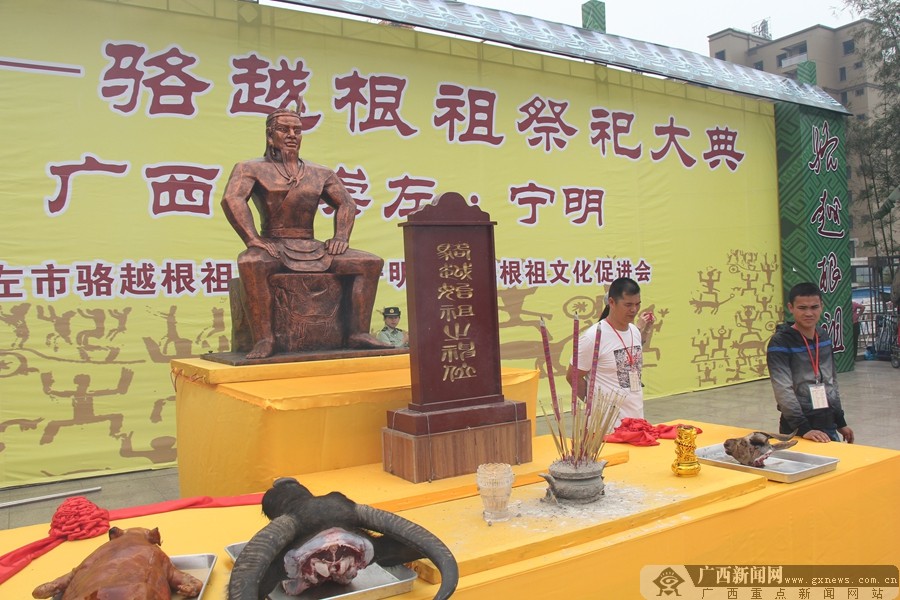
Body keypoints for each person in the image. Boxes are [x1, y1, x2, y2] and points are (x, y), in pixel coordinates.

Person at [221, 105, 390, 358]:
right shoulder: (250, 168)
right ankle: (265, 339)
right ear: (270, 135)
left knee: (369, 262)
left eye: (296, 130)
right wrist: (253, 239)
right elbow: (232, 199)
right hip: (274, 245)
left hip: (311, 246)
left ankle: (358, 332)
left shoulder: (319, 172)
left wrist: (341, 237)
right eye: (283, 129)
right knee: (250, 262)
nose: (291, 135)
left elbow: (346, 203)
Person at [766, 282, 854, 444]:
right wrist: (803, 429)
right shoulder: (780, 342)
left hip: (827, 421)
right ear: (791, 307)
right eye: (802, 308)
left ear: (821, 306)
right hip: (797, 427)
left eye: (814, 307)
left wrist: (840, 421)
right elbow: (783, 389)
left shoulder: (823, 337)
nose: (809, 313)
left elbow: (831, 382)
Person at [566, 277, 645, 422]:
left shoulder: (634, 331)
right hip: (606, 427)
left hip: (636, 420)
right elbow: (573, 376)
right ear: (612, 302)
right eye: (628, 305)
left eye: (637, 304)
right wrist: (594, 404)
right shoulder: (593, 337)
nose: (634, 310)